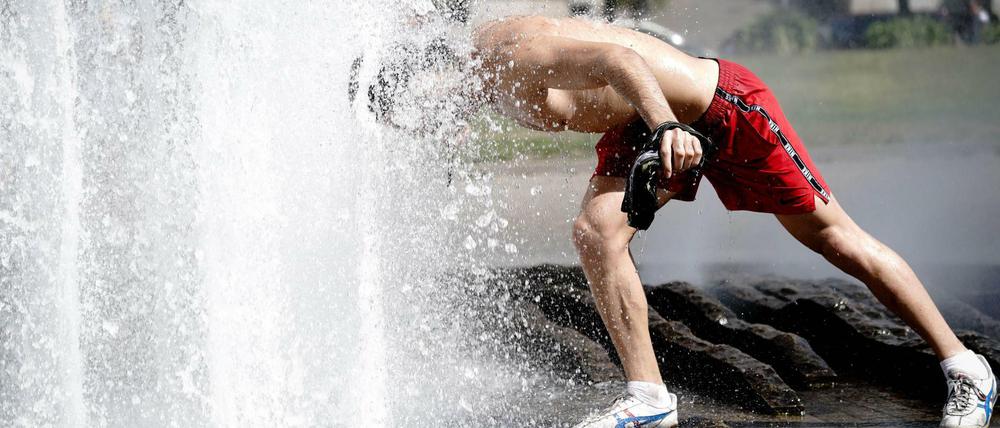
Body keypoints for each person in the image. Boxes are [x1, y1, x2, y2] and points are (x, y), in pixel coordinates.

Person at [354, 13, 997, 428]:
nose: (429, 124)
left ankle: (966, 368)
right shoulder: (472, 77)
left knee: (835, 240)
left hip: (716, 108)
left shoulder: (511, 52)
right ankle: (649, 400)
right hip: (639, 125)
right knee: (594, 234)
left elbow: (618, 62)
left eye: (417, 110)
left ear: (430, 71)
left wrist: (667, 126)